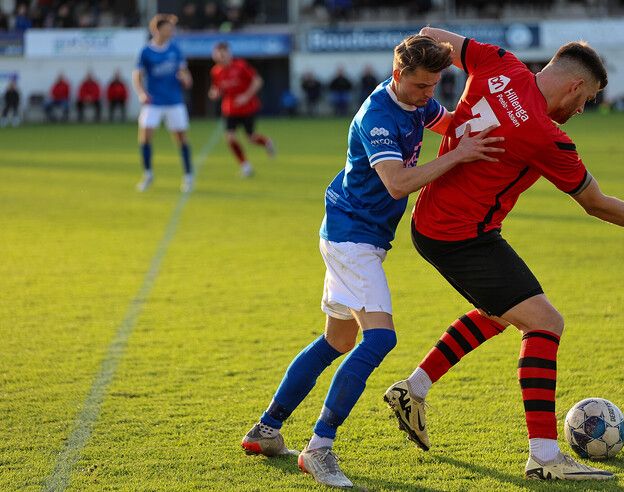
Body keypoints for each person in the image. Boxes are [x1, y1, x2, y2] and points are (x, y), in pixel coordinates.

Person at [383, 27, 624, 481]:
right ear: (575, 86)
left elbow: (428, 35)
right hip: (458, 234)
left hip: (443, 222)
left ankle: (414, 389)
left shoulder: (499, 62)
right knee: (544, 321)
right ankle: (544, 456)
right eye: (587, 100)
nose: (581, 110)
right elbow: (596, 203)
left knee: (504, 311)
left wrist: (410, 84)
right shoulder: (546, 136)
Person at [240, 34, 503, 488]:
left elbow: (451, 122)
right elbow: (398, 183)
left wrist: (499, 121)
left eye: (435, 86)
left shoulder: (418, 101)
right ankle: (319, 448)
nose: (429, 96)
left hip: (354, 234)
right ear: (399, 75)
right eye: (422, 86)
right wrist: (459, 156)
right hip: (352, 238)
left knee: (336, 341)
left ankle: (266, 430)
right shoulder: (377, 116)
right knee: (379, 339)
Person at [132, 14, 193, 193]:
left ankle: (188, 176)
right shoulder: (146, 52)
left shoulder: (175, 49)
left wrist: (186, 79)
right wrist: (141, 93)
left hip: (174, 101)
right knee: (145, 137)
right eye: (168, 28)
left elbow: (185, 74)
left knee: (181, 138)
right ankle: (148, 174)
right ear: (157, 30)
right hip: (153, 102)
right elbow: (137, 75)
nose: (171, 31)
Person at [209, 42, 275, 178]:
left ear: (229, 53)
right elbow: (216, 88)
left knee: (250, 138)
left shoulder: (240, 66)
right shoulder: (216, 71)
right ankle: (245, 166)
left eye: (223, 54)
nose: (221, 57)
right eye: (218, 55)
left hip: (247, 108)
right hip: (229, 110)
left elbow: (257, 81)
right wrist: (214, 93)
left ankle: (266, 142)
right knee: (230, 138)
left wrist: (246, 96)